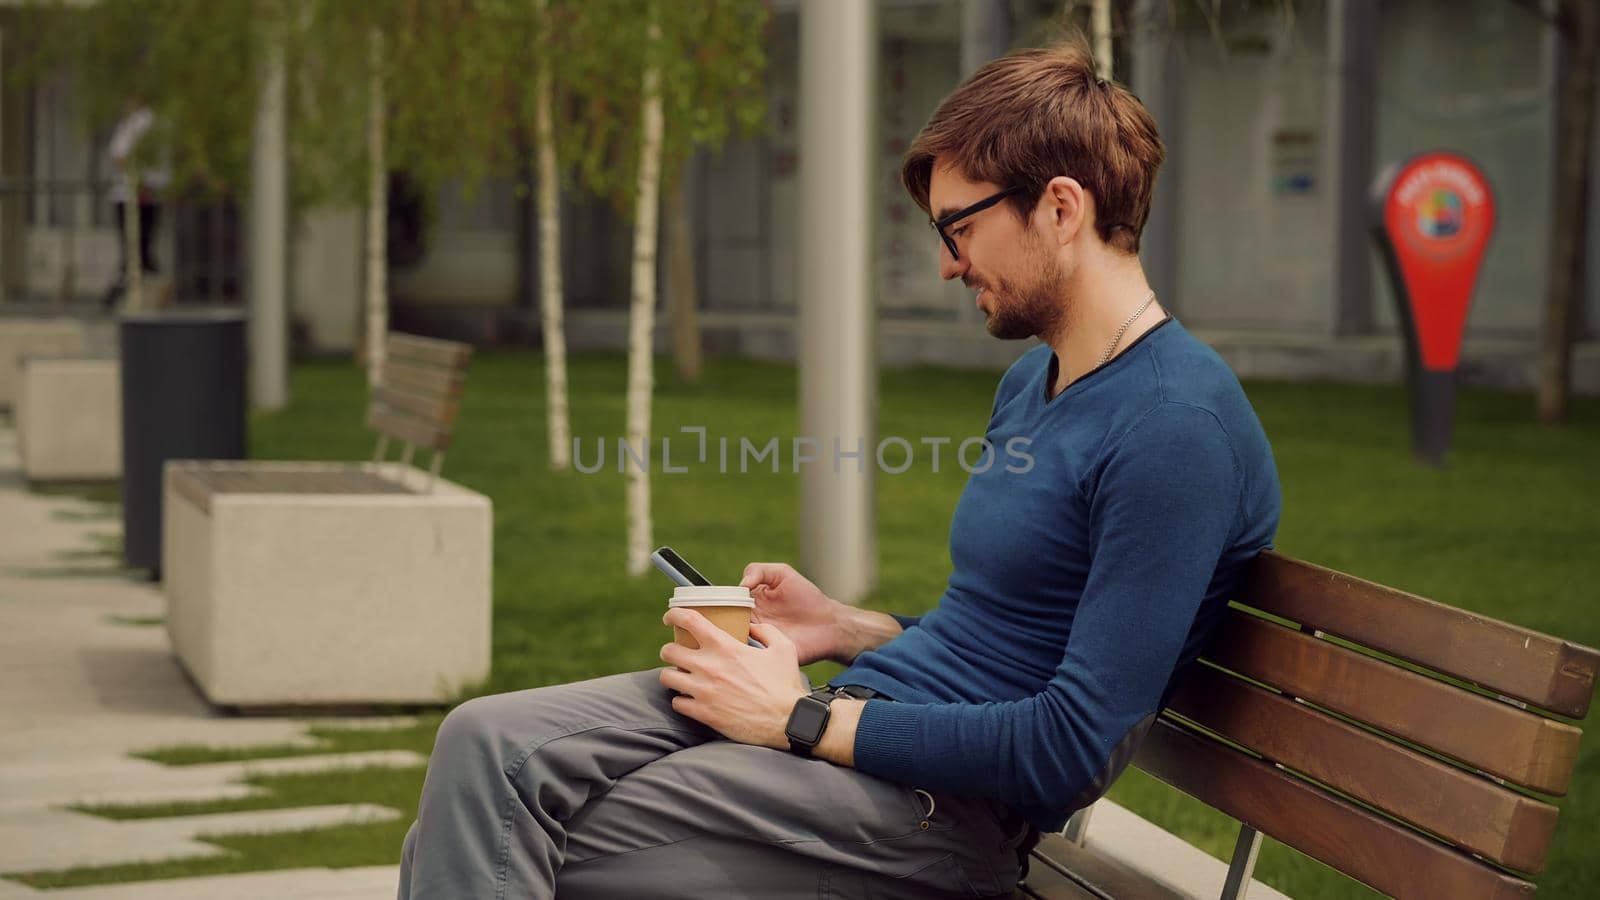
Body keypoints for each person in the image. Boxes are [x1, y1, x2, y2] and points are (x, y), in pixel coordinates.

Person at [398, 36, 1280, 900]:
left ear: (1059, 208)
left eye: (958, 227)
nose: (946, 263)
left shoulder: (1176, 431)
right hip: (859, 732)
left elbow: (1069, 745)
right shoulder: (1035, 382)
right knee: (482, 746)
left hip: (930, 818)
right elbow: (1008, 630)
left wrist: (800, 718)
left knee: (494, 831)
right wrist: (842, 626)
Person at [101, 102, 168, 309]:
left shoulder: (149, 122)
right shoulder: (136, 122)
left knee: (140, 250)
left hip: (142, 195)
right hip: (133, 195)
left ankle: (129, 295)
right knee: (136, 251)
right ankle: (125, 294)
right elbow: (120, 156)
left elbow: (121, 156)